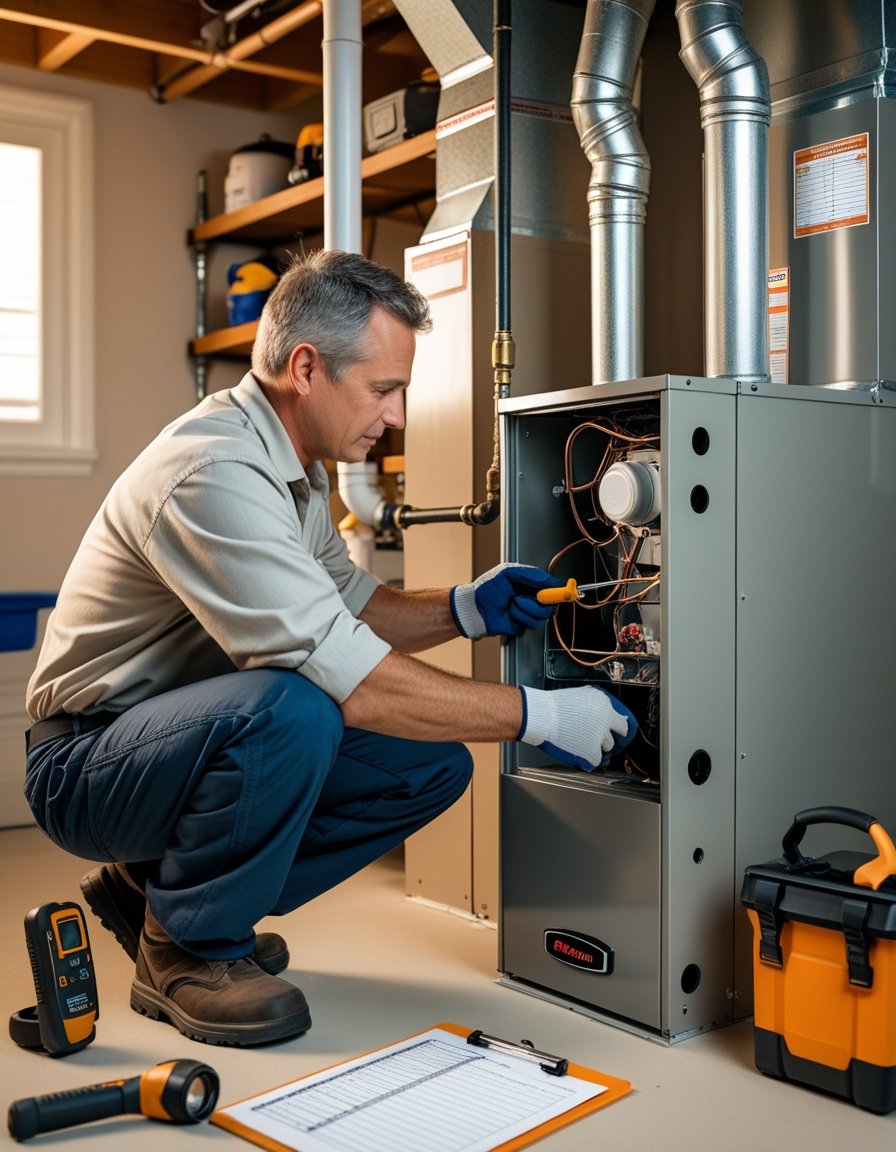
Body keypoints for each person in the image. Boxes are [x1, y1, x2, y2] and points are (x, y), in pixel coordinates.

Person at [24, 249, 636, 1048]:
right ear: (306, 368)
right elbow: (351, 682)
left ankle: (160, 894)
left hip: (169, 746)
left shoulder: (296, 472)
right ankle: (187, 949)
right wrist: (542, 714)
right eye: (385, 389)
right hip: (87, 762)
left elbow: (355, 607)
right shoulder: (214, 471)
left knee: (430, 767)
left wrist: (465, 609)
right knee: (295, 705)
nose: (399, 417)